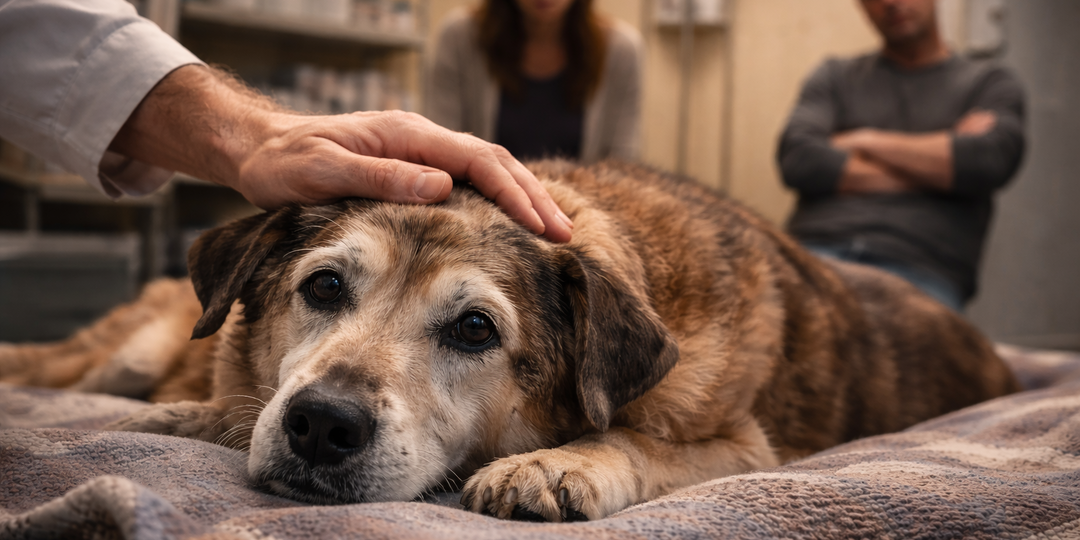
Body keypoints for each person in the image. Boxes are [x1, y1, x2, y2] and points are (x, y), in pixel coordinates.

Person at [0, 0, 572, 243]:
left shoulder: (617, 52)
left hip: (545, 209)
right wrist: (260, 141)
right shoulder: (460, 37)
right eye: (327, 289)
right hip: (454, 202)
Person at [776, 0, 1025, 311]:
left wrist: (863, 139)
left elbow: (987, 161)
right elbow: (799, 159)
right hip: (810, 256)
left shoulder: (988, 84)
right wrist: (941, 163)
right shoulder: (834, 76)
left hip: (919, 268)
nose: (890, 3)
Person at [425, 0, 642, 162]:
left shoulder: (620, 51)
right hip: (482, 211)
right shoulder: (460, 38)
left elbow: (621, 168)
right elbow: (442, 152)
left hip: (579, 210)